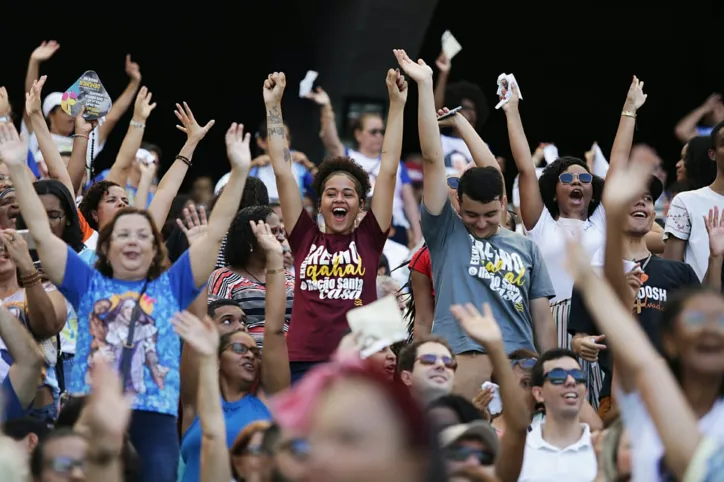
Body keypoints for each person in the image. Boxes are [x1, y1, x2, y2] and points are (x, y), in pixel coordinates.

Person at [0, 120, 252, 482]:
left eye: (142, 235)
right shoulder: (85, 282)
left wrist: (240, 171)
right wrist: (17, 170)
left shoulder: (171, 286)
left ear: (155, 249)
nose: (133, 241)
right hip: (91, 414)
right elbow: (40, 230)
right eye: (123, 234)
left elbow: (214, 236)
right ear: (106, 245)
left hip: (155, 418)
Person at [395, 48, 556, 400]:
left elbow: (542, 318)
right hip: (463, 358)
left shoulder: (525, 246)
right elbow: (432, 159)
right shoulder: (446, 233)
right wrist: (425, 86)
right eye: (471, 215)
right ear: (458, 206)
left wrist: (551, 368)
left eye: (489, 214)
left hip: (522, 363)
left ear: (503, 203)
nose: (481, 224)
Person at [264, 67, 407, 382]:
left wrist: (396, 104)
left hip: (360, 362)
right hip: (305, 362)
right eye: (331, 193)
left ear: (359, 205)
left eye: (348, 194)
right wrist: (273, 107)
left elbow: (389, 170)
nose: (339, 199)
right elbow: (283, 171)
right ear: (320, 203)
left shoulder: (369, 238)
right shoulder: (303, 236)